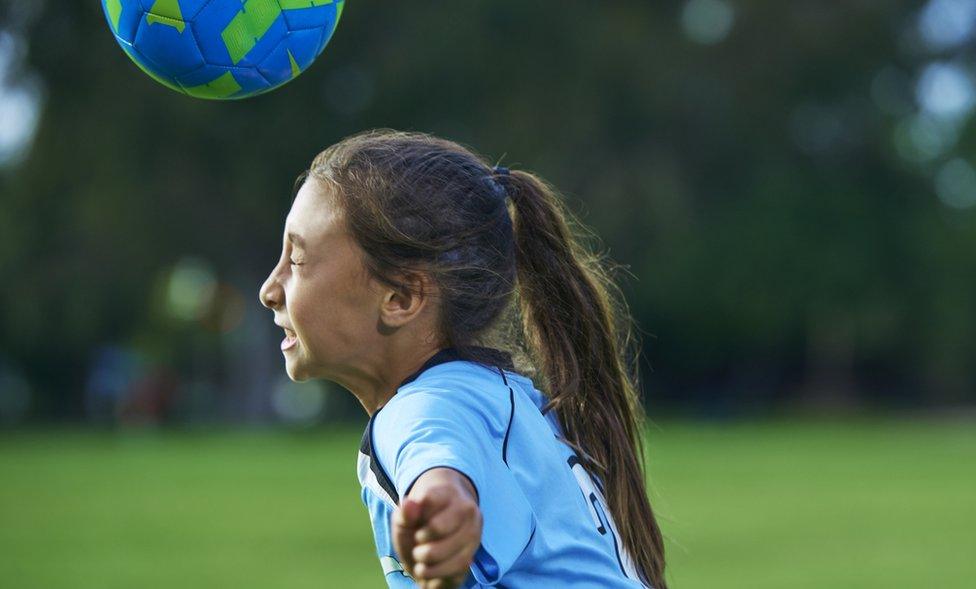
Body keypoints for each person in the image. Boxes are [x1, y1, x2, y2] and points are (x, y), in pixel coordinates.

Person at [259, 130, 667, 588]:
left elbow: (437, 460)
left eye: (296, 259)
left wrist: (441, 504)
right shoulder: (504, 397)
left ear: (400, 297)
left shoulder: (424, 406)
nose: (269, 290)